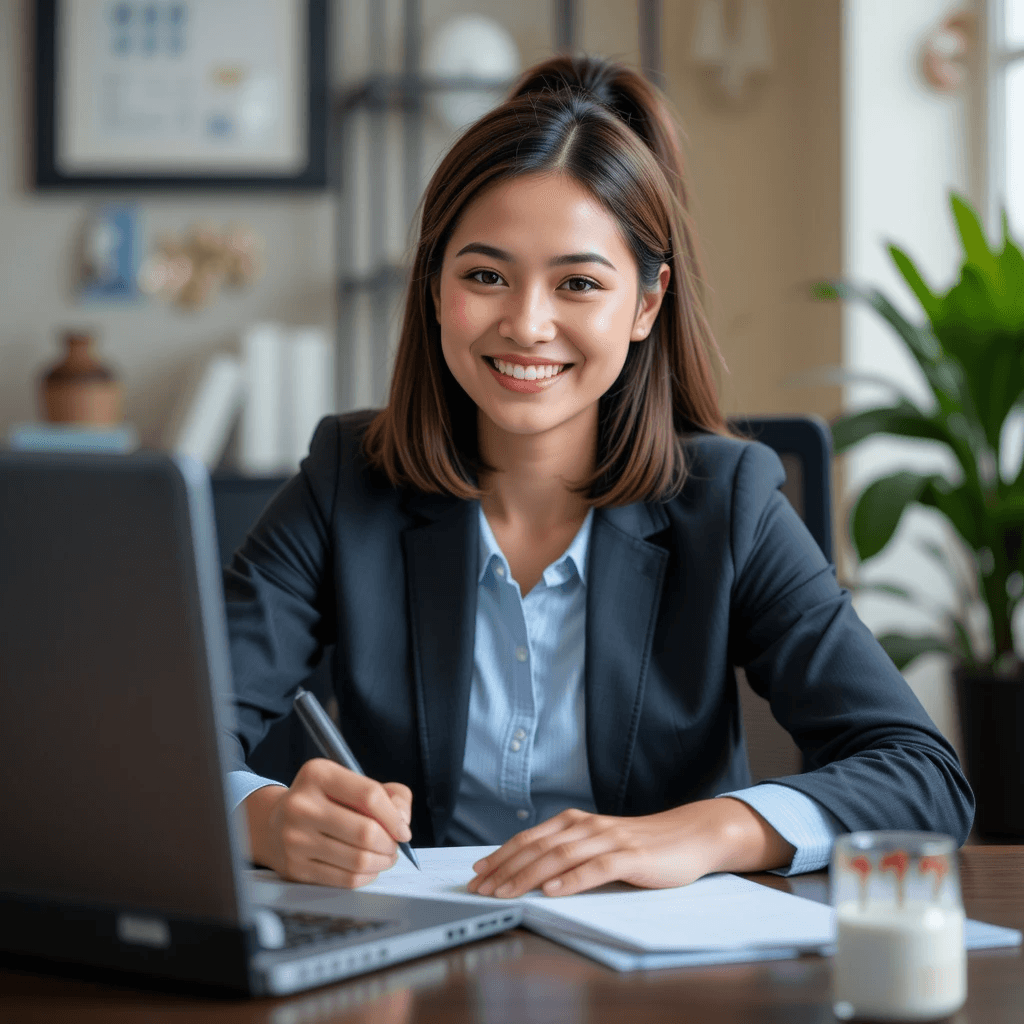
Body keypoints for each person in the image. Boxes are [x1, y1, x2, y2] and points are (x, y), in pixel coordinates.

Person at [225, 55, 973, 900]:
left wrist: (702, 832)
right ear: (436, 290)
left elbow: (922, 776)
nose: (527, 323)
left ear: (647, 304)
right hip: (409, 963)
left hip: (657, 976)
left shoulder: (728, 504)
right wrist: (265, 818)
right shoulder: (344, 481)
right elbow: (168, 740)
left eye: (578, 282)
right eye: (484, 275)